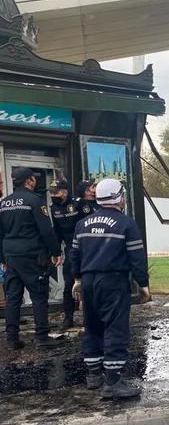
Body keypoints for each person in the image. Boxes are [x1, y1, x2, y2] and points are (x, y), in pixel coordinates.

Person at [70, 178, 151, 398]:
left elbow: (74, 255)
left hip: (87, 282)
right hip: (113, 282)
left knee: (92, 325)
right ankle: (113, 381)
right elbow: (137, 258)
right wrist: (143, 285)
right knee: (115, 328)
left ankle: (93, 375)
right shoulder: (126, 223)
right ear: (118, 197)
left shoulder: (82, 224)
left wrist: (77, 280)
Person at [0, 167, 63, 350]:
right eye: (33, 179)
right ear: (29, 181)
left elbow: (0, 233)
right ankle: (42, 337)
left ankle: (12, 339)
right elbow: (46, 230)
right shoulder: (35, 201)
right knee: (38, 296)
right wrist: (56, 252)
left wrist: (3, 258)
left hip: (11, 256)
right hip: (32, 256)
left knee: (13, 298)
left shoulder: (4, 203)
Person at [49, 178, 81, 328]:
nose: (53, 195)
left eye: (56, 193)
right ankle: (68, 316)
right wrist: (56, 251)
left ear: (65, 192)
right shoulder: (53, 208)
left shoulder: (78, 203)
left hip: (85, 248)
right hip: (70, 249)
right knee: (69, 284)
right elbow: (57, 231)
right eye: (51, 192)